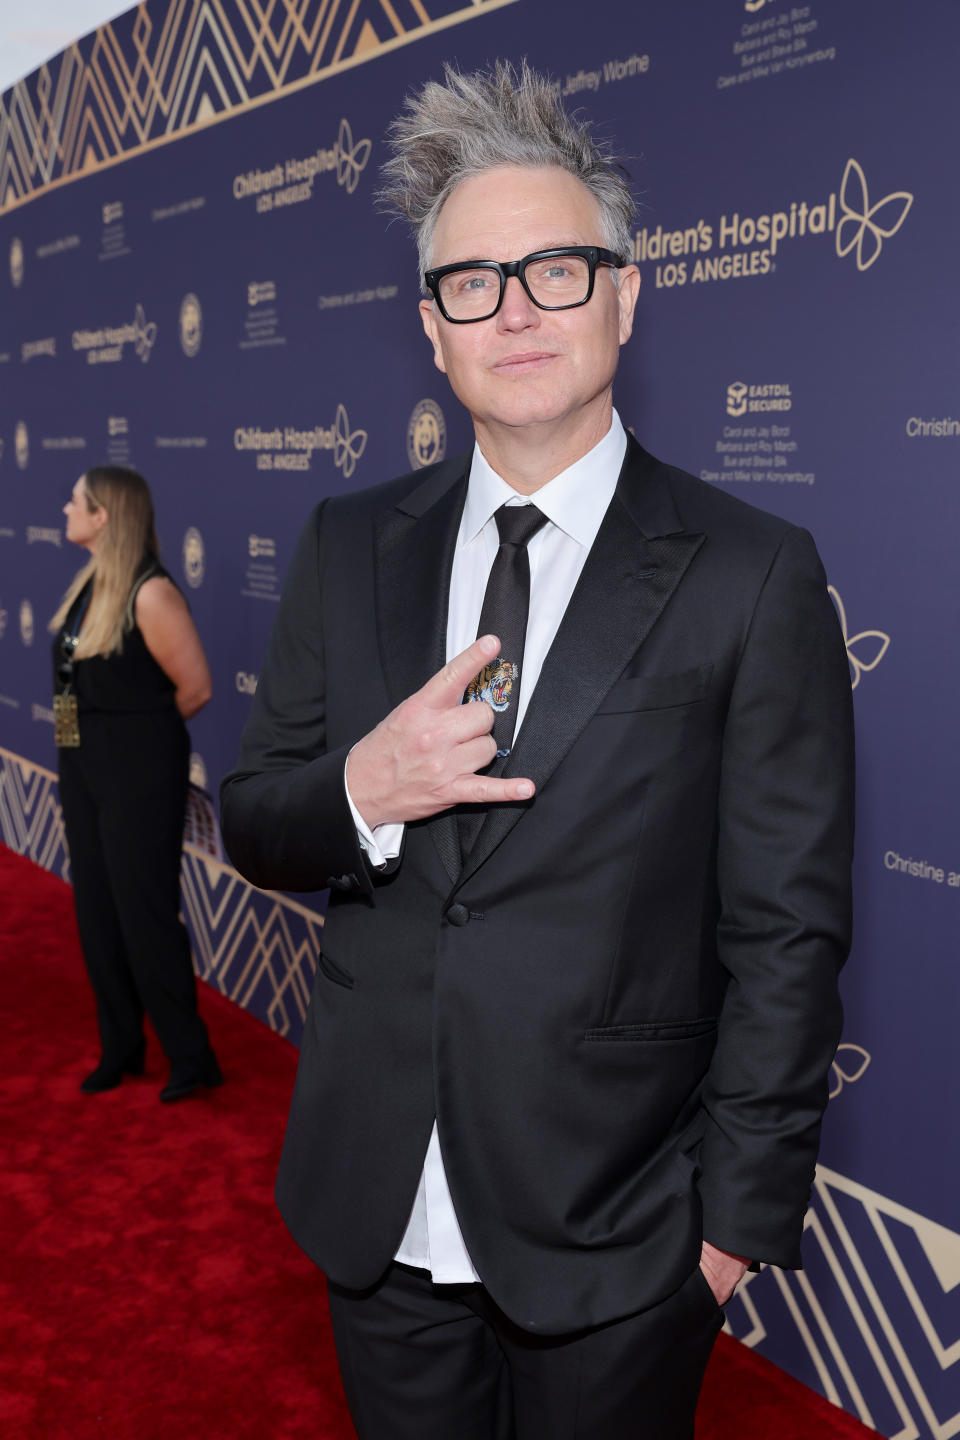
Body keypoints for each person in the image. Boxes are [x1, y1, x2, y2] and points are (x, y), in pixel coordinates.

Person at [220, 61, 854, 1438]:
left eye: (555, 271)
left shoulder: (751, 574)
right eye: (472, 282)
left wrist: (731, 1227)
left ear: (627, 294)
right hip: (375, 1212)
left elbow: (786, 929)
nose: (512, 309)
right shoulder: (347, 546)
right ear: (432, 332)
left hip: (625, 1232)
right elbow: (256, 821)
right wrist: (361, 793)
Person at [52, 465, 222, 1103]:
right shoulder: (88, 585)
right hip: (84, 772)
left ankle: (191, 1057)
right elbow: (69, 686)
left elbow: (196, 689)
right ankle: (121, 1048)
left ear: (103, 516)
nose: (65, 506)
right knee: (96, 914)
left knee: (144, 915)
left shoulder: (149, 594)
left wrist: (132, 744)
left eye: (75, 500)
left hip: (138, 775)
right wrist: (77, 752)